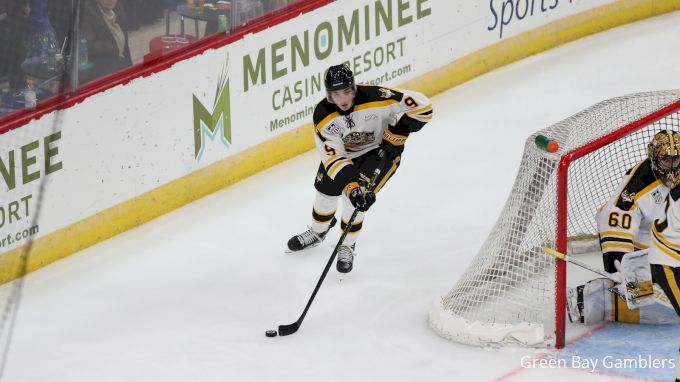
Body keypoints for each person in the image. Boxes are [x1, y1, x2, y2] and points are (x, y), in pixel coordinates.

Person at [286, 64, 433, 274]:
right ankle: (318, 232)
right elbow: (334, 157)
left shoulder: (378, 97)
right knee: (325, 195)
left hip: (379, 154)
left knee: (355, 202)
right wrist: (350, 185)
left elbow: (423, 106)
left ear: (353, 88)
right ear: (329, 95)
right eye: (336, 94)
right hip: (343, 156)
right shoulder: (323, 115)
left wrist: (400, 132)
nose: (343, 99)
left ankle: (347, 245)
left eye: (346, 91)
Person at [595, 130, 680, 274]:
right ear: (654, 158)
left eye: (676, 159)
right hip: (645, 246)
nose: (672, 167)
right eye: (666, 160)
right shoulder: (638, 181)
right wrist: (620, 266)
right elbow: (614, 217)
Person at [80, 0, 132, 65]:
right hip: (104, 71)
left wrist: (130, 66)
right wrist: (114, 51)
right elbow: (86, 46)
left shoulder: (117, 11)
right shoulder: (86, 15)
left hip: (122, 66)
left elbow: (125, 48)